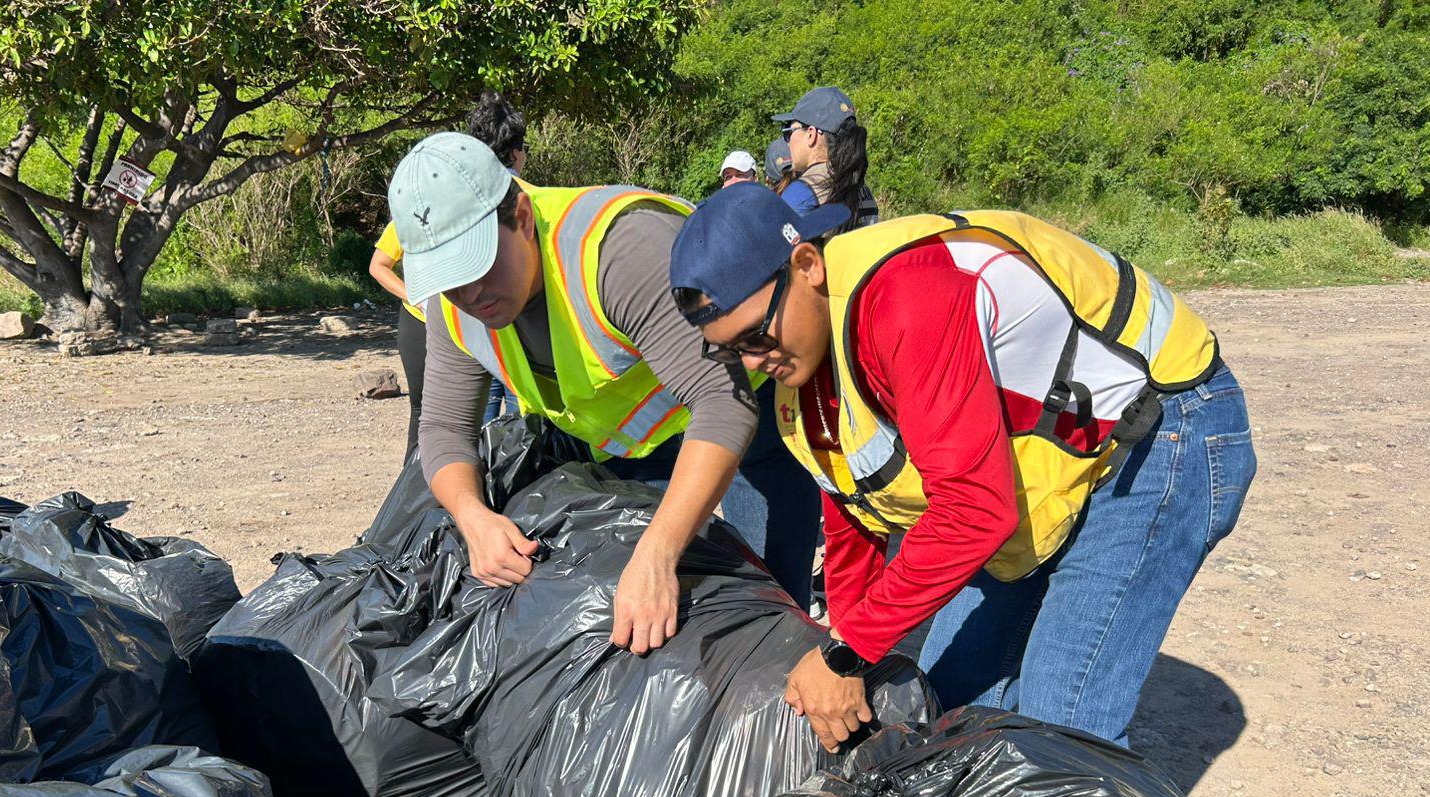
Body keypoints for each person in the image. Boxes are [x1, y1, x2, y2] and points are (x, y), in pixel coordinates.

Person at [669, 184, 1258, 752]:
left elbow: (975, 508)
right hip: (1048, 467)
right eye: (728, 350)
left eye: (754, 335)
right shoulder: (801, 384)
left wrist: (847, 653)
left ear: (806, 265)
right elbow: (853, 522)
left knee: (1063, 731)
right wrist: (844, 649)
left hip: (1159, 429)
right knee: (946, 709)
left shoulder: (904, 299)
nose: (752, 361)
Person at [387, 132, 821, 648]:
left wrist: (659, 554)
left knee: (769, 605)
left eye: (476, 264)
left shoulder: (617, 250)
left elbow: (722, 403)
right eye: (448, 277)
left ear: (522, 218)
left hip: (744, 415)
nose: (469, 293)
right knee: (656, 616)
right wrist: (473, 517)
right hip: (631, 447)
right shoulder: (452, 307)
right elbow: (443, 428)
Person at [467, 90, 529, 423]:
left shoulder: (458, 203)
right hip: (522, 344)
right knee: (523, 435)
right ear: (516, 151)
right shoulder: (532, 201)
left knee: (476, 430)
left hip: (471, 339)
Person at [773, 87, 879, 230]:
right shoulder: (862, 188)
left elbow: (781, 250)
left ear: (811, 134)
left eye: (788, 132)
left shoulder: (801, 192)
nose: (787, 141)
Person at [366, 217, 427, 465]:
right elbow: (378, 266)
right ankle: (410, 482)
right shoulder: (409, 216)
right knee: (421, 406)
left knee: (470, 407)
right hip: (419, 322)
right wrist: (413, 297)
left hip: (467, 322)